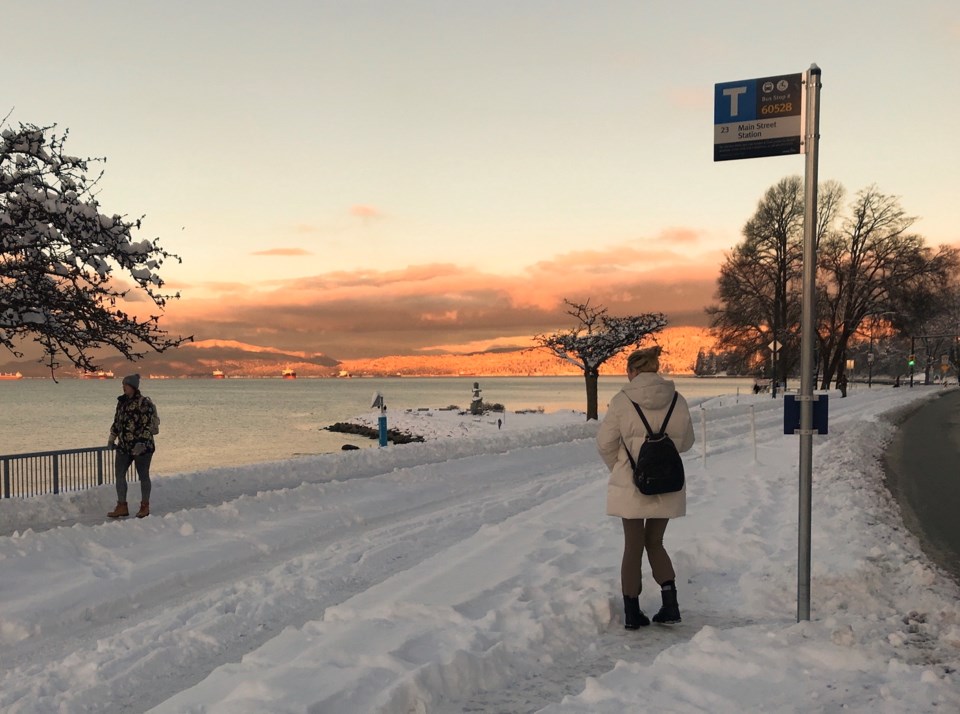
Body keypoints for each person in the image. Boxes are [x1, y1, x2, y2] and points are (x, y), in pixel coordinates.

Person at [596, 346, 695, 630]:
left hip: (631, 482)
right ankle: (670, 604)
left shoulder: (622, 400)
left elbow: (604, 443)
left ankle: (632, 612)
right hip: (667, 481)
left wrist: (621, 466)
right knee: (656, 541)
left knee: (633, 545)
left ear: (633, 371)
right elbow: (686, 443)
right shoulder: (677, 400)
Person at [107, 374, 155, 518]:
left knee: (143, 476)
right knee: (119, 475)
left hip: (142, 447)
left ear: (133, 387)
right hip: (124, 446)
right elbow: (117, 421)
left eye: (126, 385)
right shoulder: (121, 402)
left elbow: (148, 425)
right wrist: (112, 437)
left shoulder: (143, 403)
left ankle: (145, 505)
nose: (123, 387)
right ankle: (122, 505)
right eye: (123, 384)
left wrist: (141, 442)